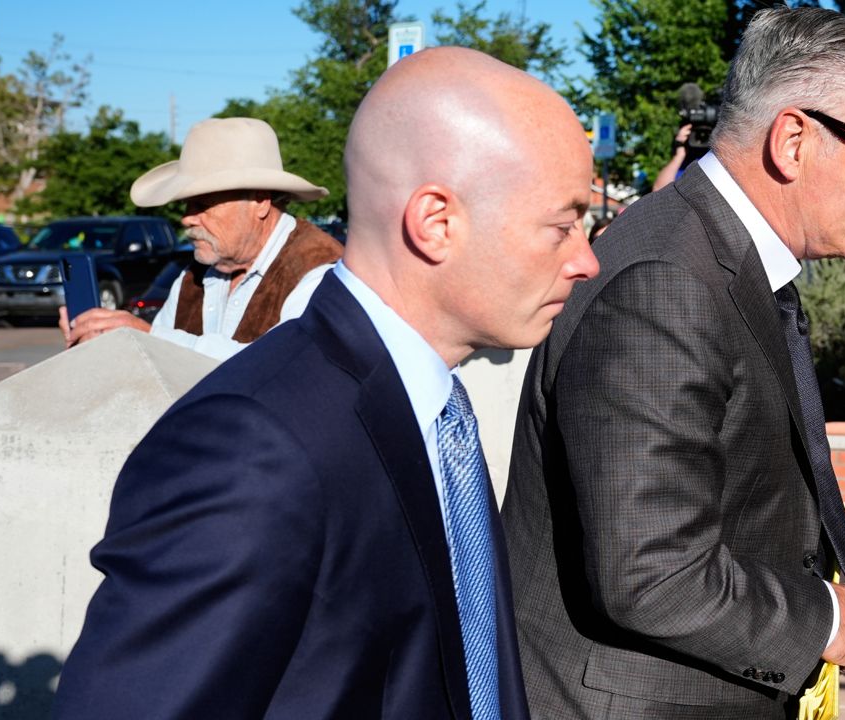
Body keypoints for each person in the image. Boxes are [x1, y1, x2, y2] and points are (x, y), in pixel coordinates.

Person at [52, 47, 597, 718]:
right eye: (563, 223)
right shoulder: (251, 445)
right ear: (436, 222)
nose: (586, 259)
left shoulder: (436, 408)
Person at [502, 8, 845, 717]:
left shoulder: (711, 256)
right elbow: (652, 574)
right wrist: (822, 617)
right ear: (792, 139)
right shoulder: (665, 281)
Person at [59, 117, 342, 361]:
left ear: (260, 201)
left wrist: (149, 338)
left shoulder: (320, 272)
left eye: (203, 204)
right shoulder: (191, 279)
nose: (187, 218)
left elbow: (278, 368)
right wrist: (104, 346)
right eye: (186, 204)